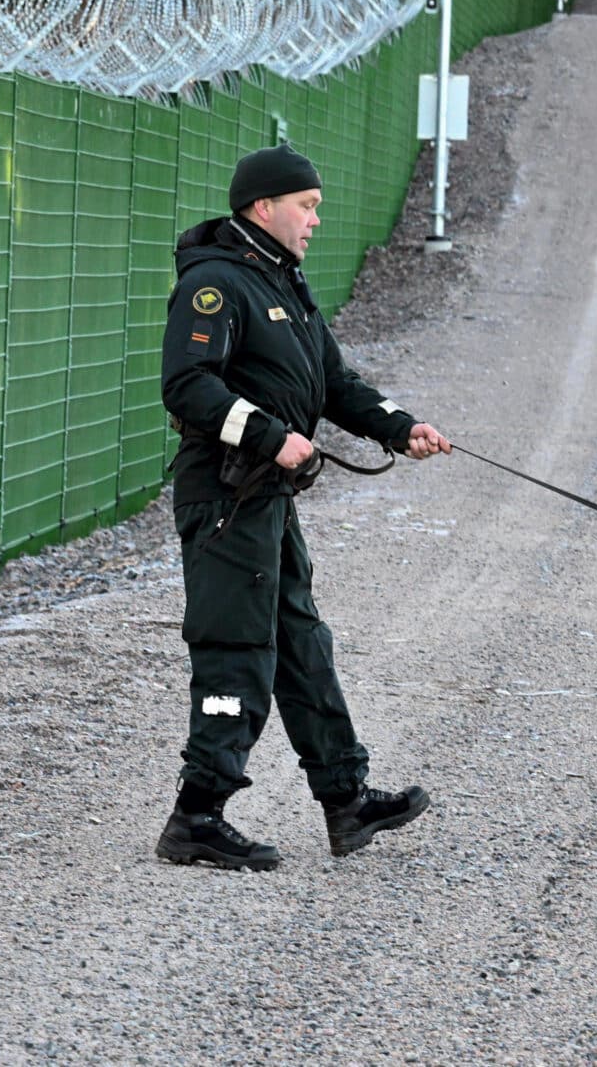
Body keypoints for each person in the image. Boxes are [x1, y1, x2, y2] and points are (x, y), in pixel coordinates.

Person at [156, 143, 452, 871]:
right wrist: (270, 436)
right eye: (307, 205)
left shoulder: (283, 286)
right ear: (265, 207)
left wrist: (399, 425)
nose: (316, 219)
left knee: (301, 645)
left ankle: (346, 802)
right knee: (237, 648)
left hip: (267, 499)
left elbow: (335, 382)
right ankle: (196, 816)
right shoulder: (217, 284)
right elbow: (188, 385)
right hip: (226, 493)